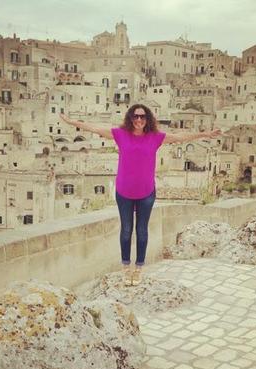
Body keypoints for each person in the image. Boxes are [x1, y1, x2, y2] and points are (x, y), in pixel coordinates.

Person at [60, 104, 221, 286]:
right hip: (124, 192)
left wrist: (205, 134)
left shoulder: (155, 137)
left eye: (142, 117)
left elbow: (180, 137)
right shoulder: (120, 135)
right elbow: (93, 127)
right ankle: (126, 268)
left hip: (146, 192)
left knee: (142, 231)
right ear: (130, 118)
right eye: (135, 116)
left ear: (147, 119)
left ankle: (138, 269)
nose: (138, 120)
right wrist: (70, 121)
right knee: (126, 231)